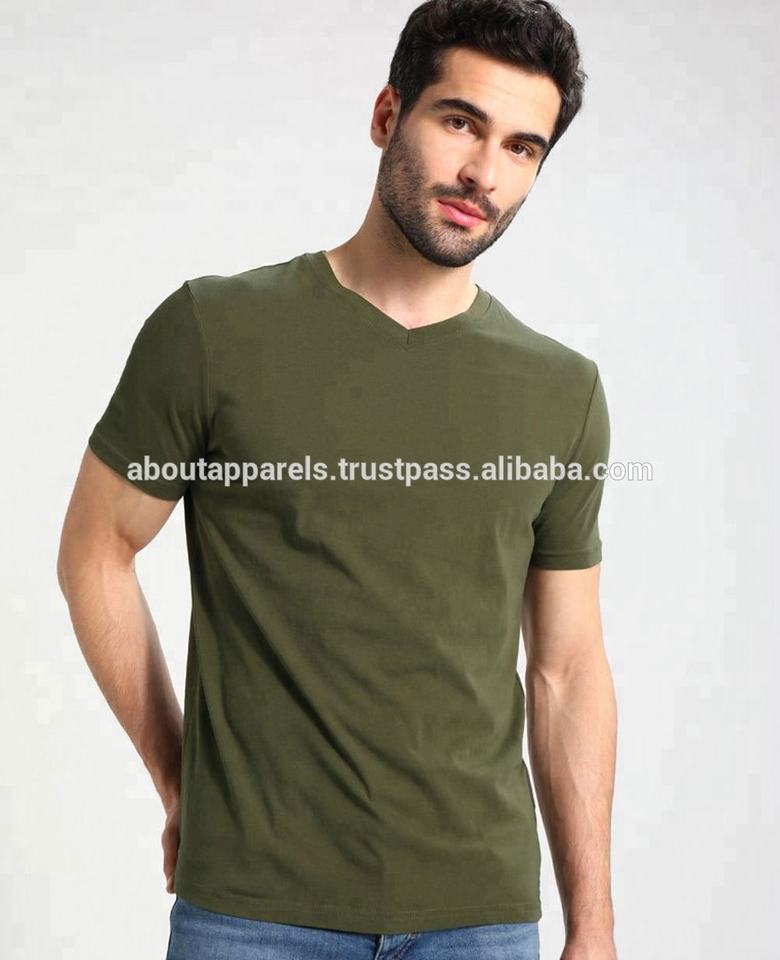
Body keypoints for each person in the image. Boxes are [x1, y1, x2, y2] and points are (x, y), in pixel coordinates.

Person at [56, 1, 618, 958]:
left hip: (479, 920)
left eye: (522, 148)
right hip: (251, 914)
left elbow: (568, 668)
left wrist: (594, 926)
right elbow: (95, 550)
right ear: (387, 113)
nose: (484, 175)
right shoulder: (214, 333)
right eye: (461, 122)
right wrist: (180, 779)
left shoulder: (562, 392)